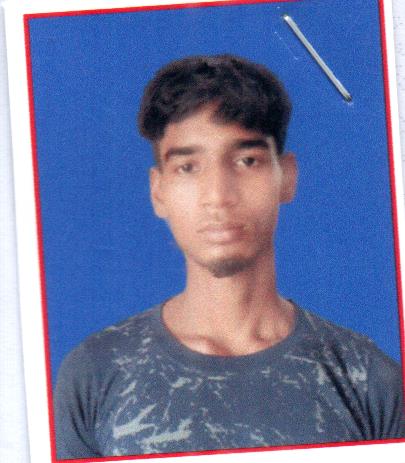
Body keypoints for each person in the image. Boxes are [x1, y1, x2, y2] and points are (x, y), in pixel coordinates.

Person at [54, 54, 405, 459]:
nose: (218, 196)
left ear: (286, 177)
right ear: (158, 191)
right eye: (188, 167)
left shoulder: (368, 381)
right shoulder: (95, 375)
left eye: (246, 161)